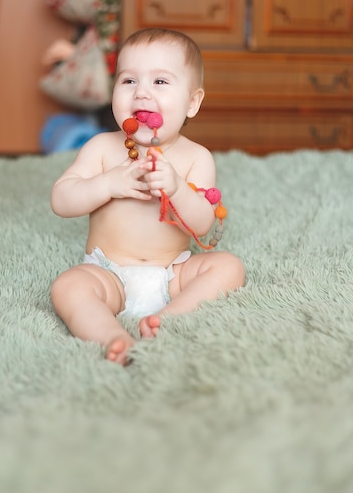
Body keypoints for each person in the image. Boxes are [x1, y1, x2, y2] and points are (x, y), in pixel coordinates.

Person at [50, 28, 245, 364]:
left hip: (173, 273)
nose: (141, 93)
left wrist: (178, 189)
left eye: (160, 82)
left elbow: (201, 225)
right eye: (128, 81)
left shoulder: (196, 157)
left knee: (229, 267)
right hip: (109, 272)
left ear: (192, 103)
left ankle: (166, 320)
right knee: (68, 287)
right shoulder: (101, 149)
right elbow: (62, 199)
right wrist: (108, 184)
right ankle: (112, 337)